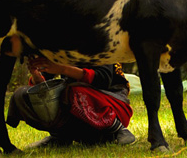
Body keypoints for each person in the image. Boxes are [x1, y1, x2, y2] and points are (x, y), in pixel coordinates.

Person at [7, 56, 136, 147]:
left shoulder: (100, 39)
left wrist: (63, 69)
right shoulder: (61, 45)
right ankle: (60, 136)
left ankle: (118, 129)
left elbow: (103, 79)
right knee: (23, 94)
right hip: (77, 113)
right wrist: (36, 74)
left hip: (112, 106)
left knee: (73, 90)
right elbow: (45, 86)